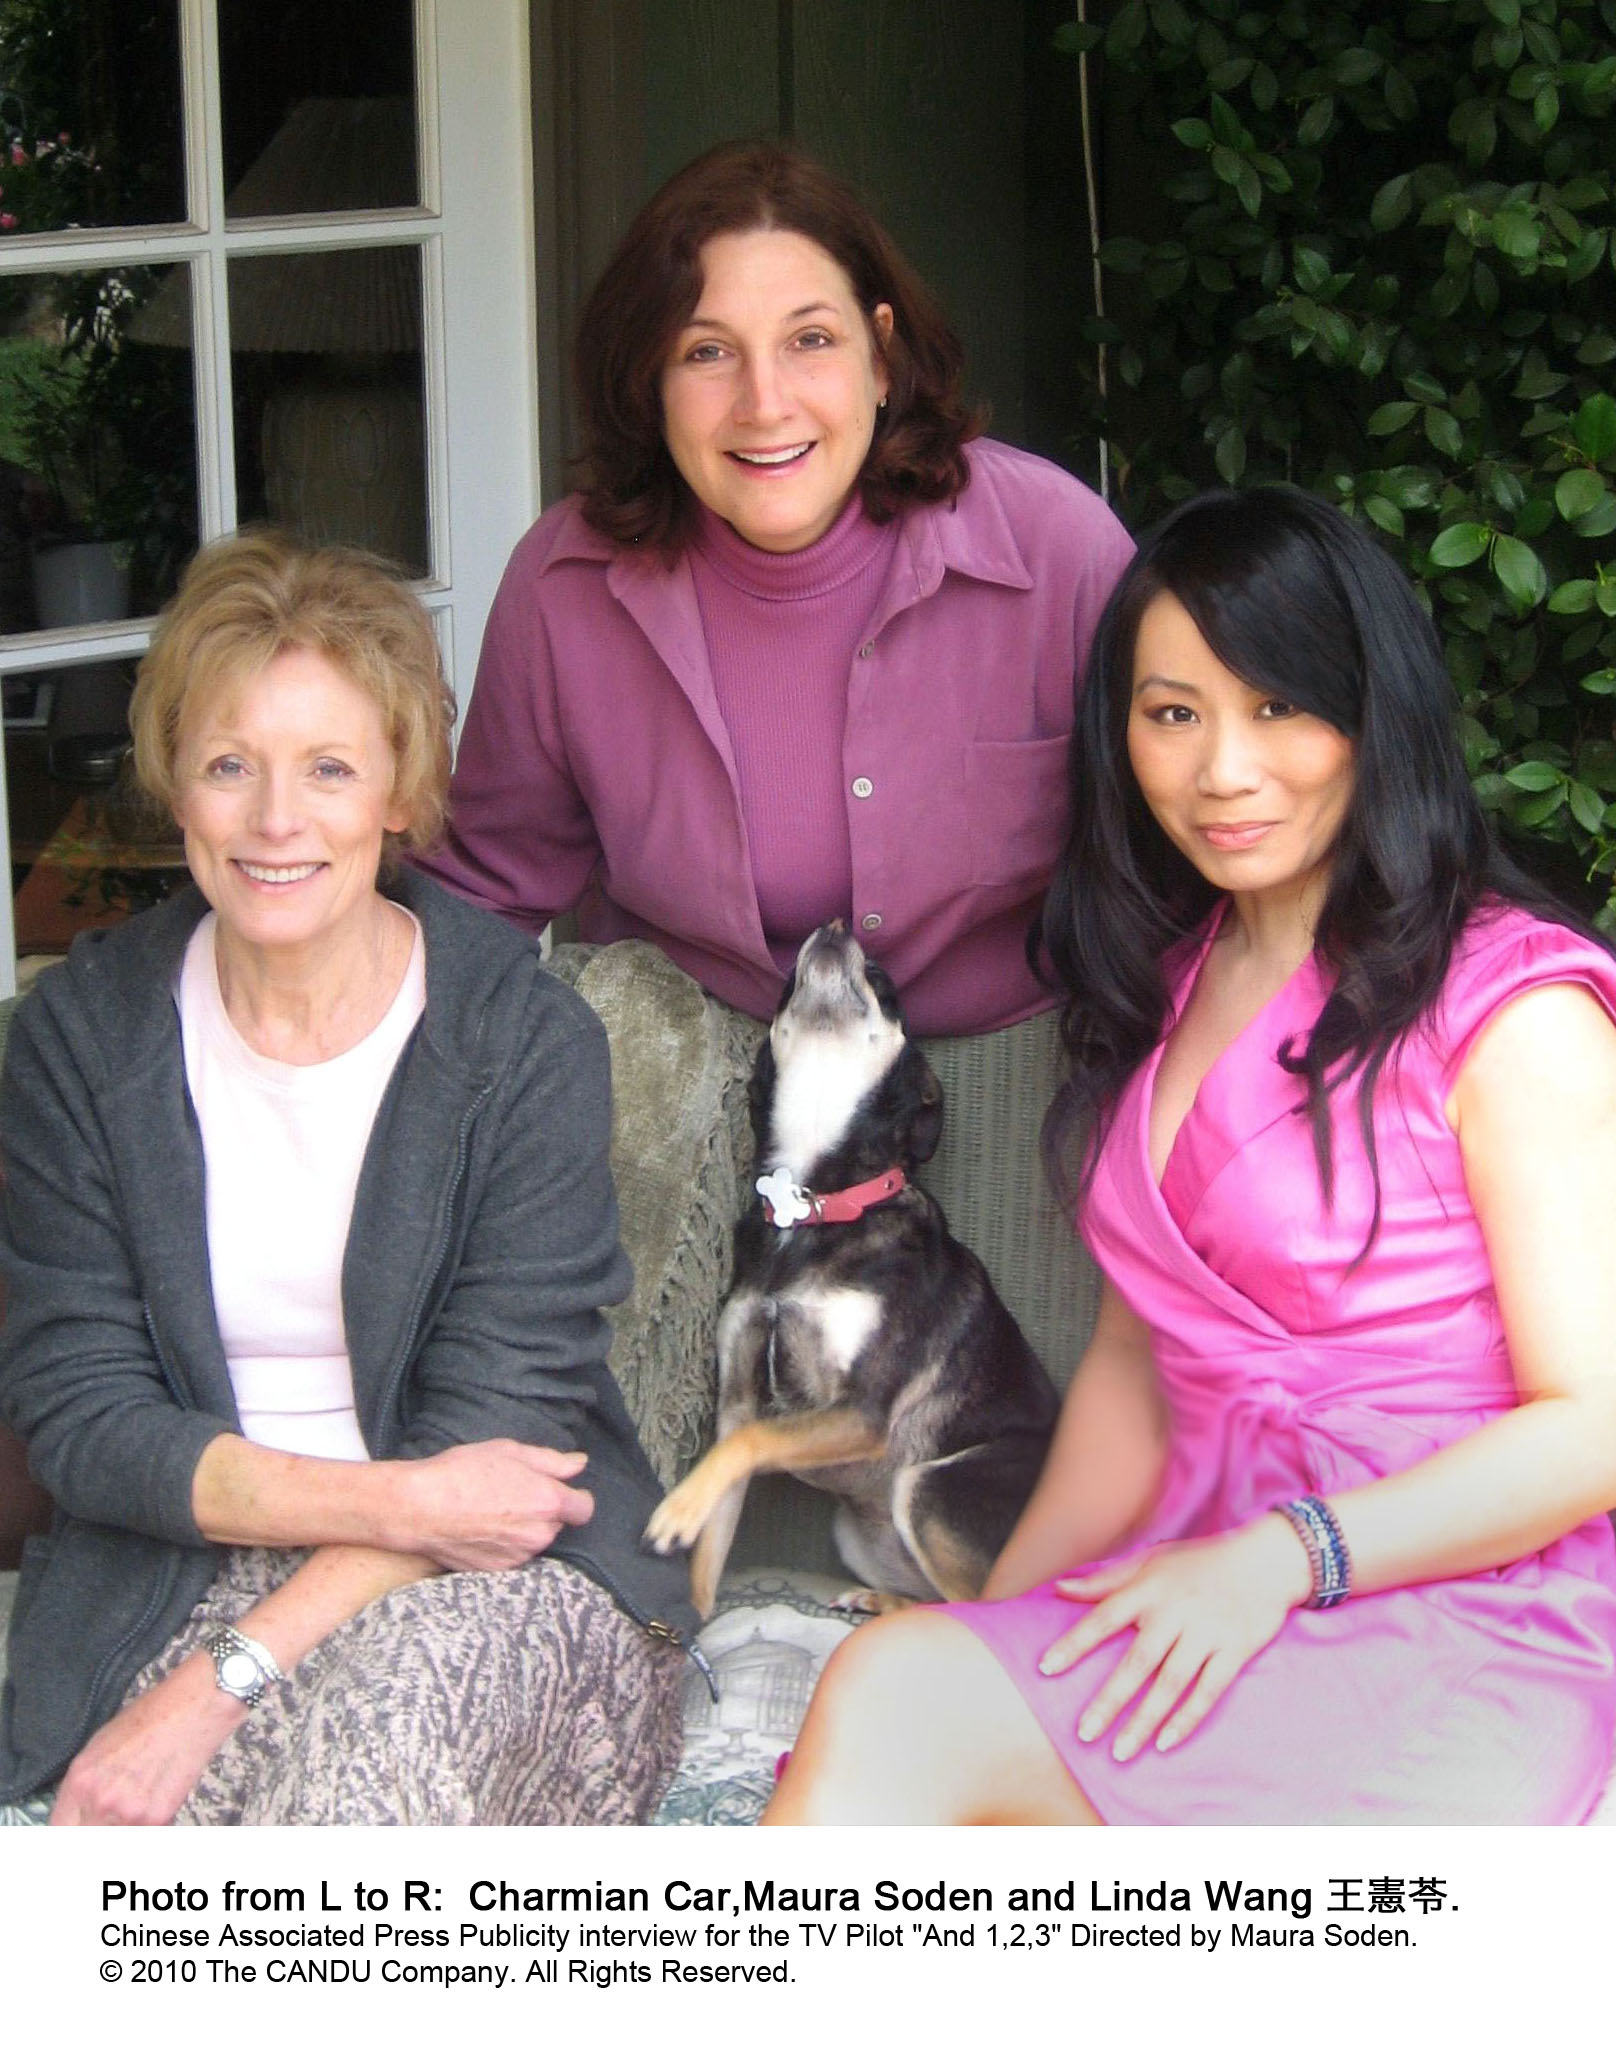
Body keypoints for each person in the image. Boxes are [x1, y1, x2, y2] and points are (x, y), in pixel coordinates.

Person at [765, 485, 1616, 1825]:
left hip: (1450, 1589)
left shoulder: (1515, 1007)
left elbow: (1595, 1424)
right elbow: (1141, 1362)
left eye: (1279, 704)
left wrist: (1290, 1557)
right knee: (894, 1685)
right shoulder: (1175, 978)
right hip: (1203, 1567)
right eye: (1174, 713)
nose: (1224, 768)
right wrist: (1004, 1618)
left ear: (1371, 713)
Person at [0, 532, 696, 1826]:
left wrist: (229, 1674)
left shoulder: (520, 1040)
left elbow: (499, 1442)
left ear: (397, 788)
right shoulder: (81, 1038)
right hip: (172, 1561)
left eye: (328, 767)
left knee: (361, 1790)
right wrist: (392, 1495)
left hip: (490, 1571)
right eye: (230, 766)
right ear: (176, 785)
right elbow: (81, 1411)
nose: (277, 819)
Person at [419, 139, 1133, 1036]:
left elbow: (1178, 869)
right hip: (686, 1098)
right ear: (650, 383)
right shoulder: (565, 587)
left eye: (810, 340)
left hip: (1017, 1080)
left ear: (881, 357)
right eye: (708, 351)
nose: (764, 403)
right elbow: (481, 890)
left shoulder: (1057, 551)